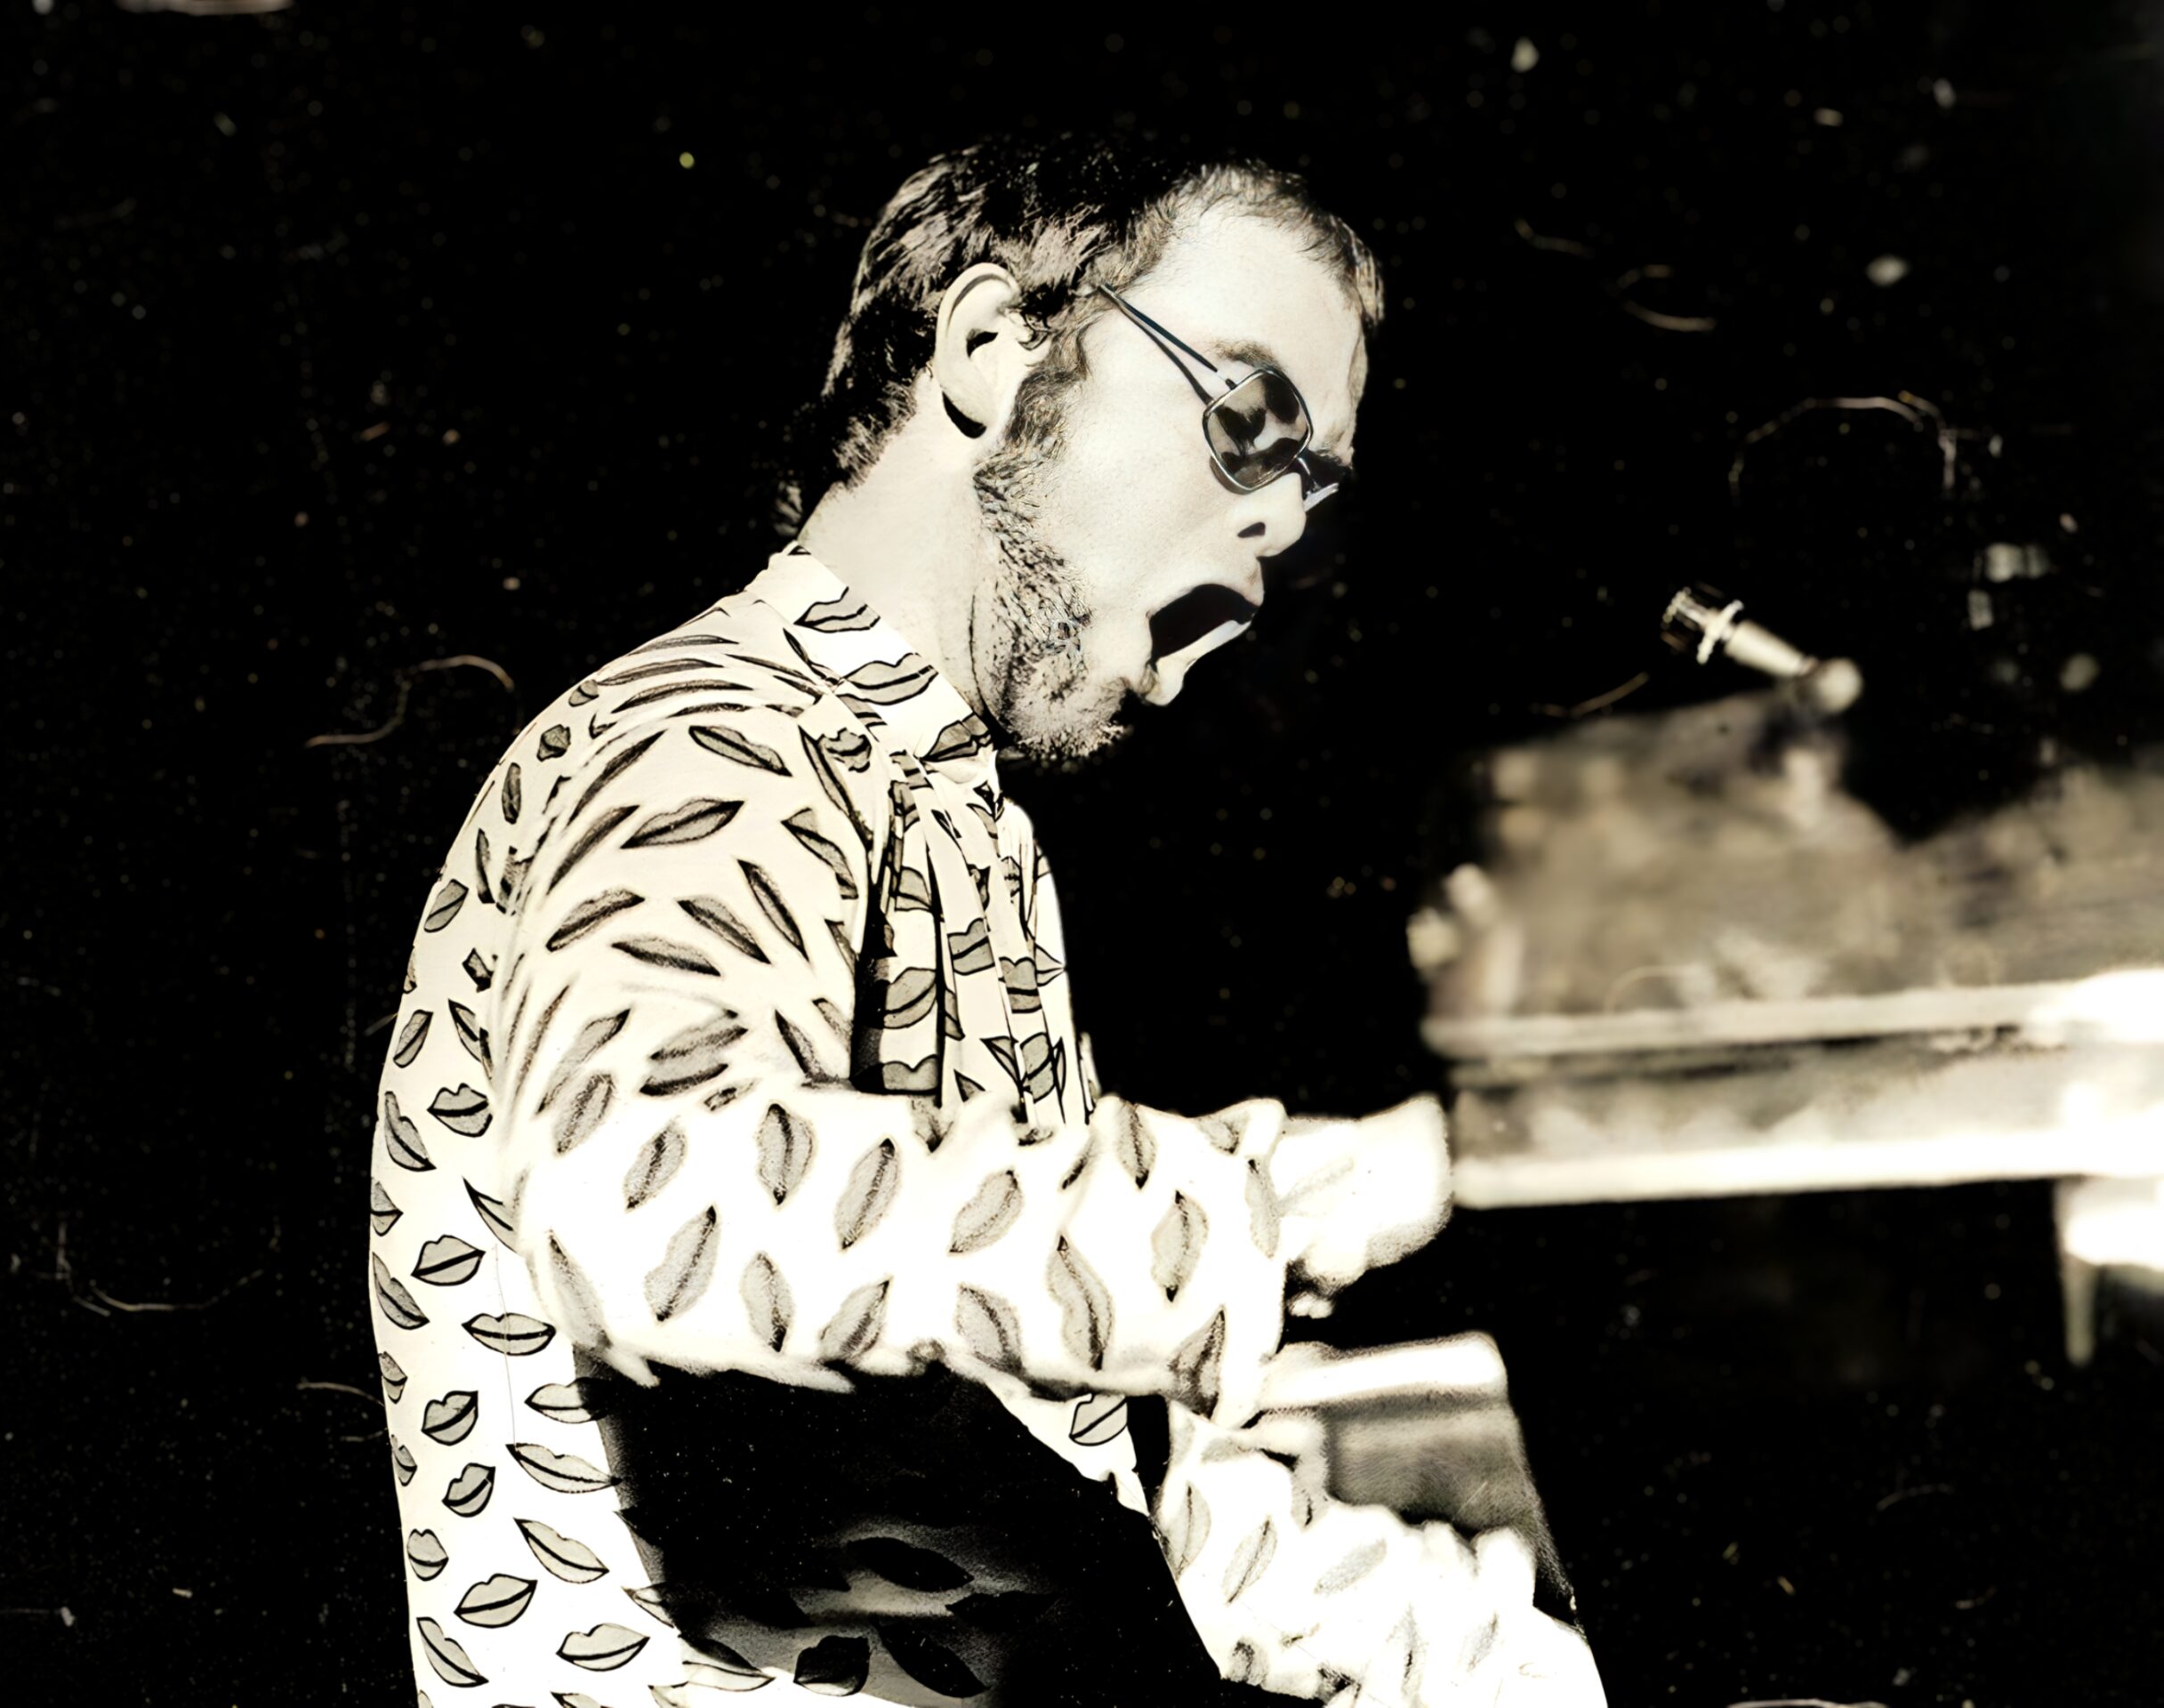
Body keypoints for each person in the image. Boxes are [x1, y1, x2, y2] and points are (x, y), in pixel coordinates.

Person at [365, 131, 1605, 1705]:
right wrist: (1316, 1195)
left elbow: (1096, 1498)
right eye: (1247, 423)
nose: (1287, 530)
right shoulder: (709, 732)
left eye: (1317, 483)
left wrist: (1519, 1663)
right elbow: (638, 1196)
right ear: (989, 348)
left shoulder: (959, 827)